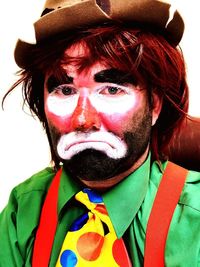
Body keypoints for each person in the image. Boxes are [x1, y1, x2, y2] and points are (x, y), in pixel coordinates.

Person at [0, 0, 200, 266]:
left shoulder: (194, 218)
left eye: (112, 89)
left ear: (155, 105)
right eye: (65, 90)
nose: (83, 119)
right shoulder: (22, 209)